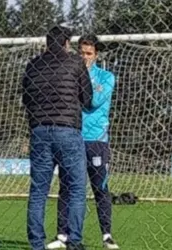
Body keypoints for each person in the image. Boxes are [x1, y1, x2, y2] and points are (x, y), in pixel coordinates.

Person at [23, 26, 93, 250]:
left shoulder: (32, 65)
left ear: (46, 43)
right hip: (67, 131)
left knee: (38, 191)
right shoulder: (75, 62)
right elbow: (88, 97)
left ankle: (36, 244)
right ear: (66, 43)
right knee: (76, 189)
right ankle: (74, 242)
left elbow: (26, 99)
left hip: (40, 131)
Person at [46, 34, 119, 250]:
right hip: (71, 138)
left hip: (96, 140)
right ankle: (62, 235)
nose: (85, 57)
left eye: (89, 53)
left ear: (96, 55)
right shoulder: (67, 76)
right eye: (82, 53)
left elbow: (93, 101)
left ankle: (106, 235)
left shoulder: (106, 77)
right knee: (66, 187)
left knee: (100, 188)